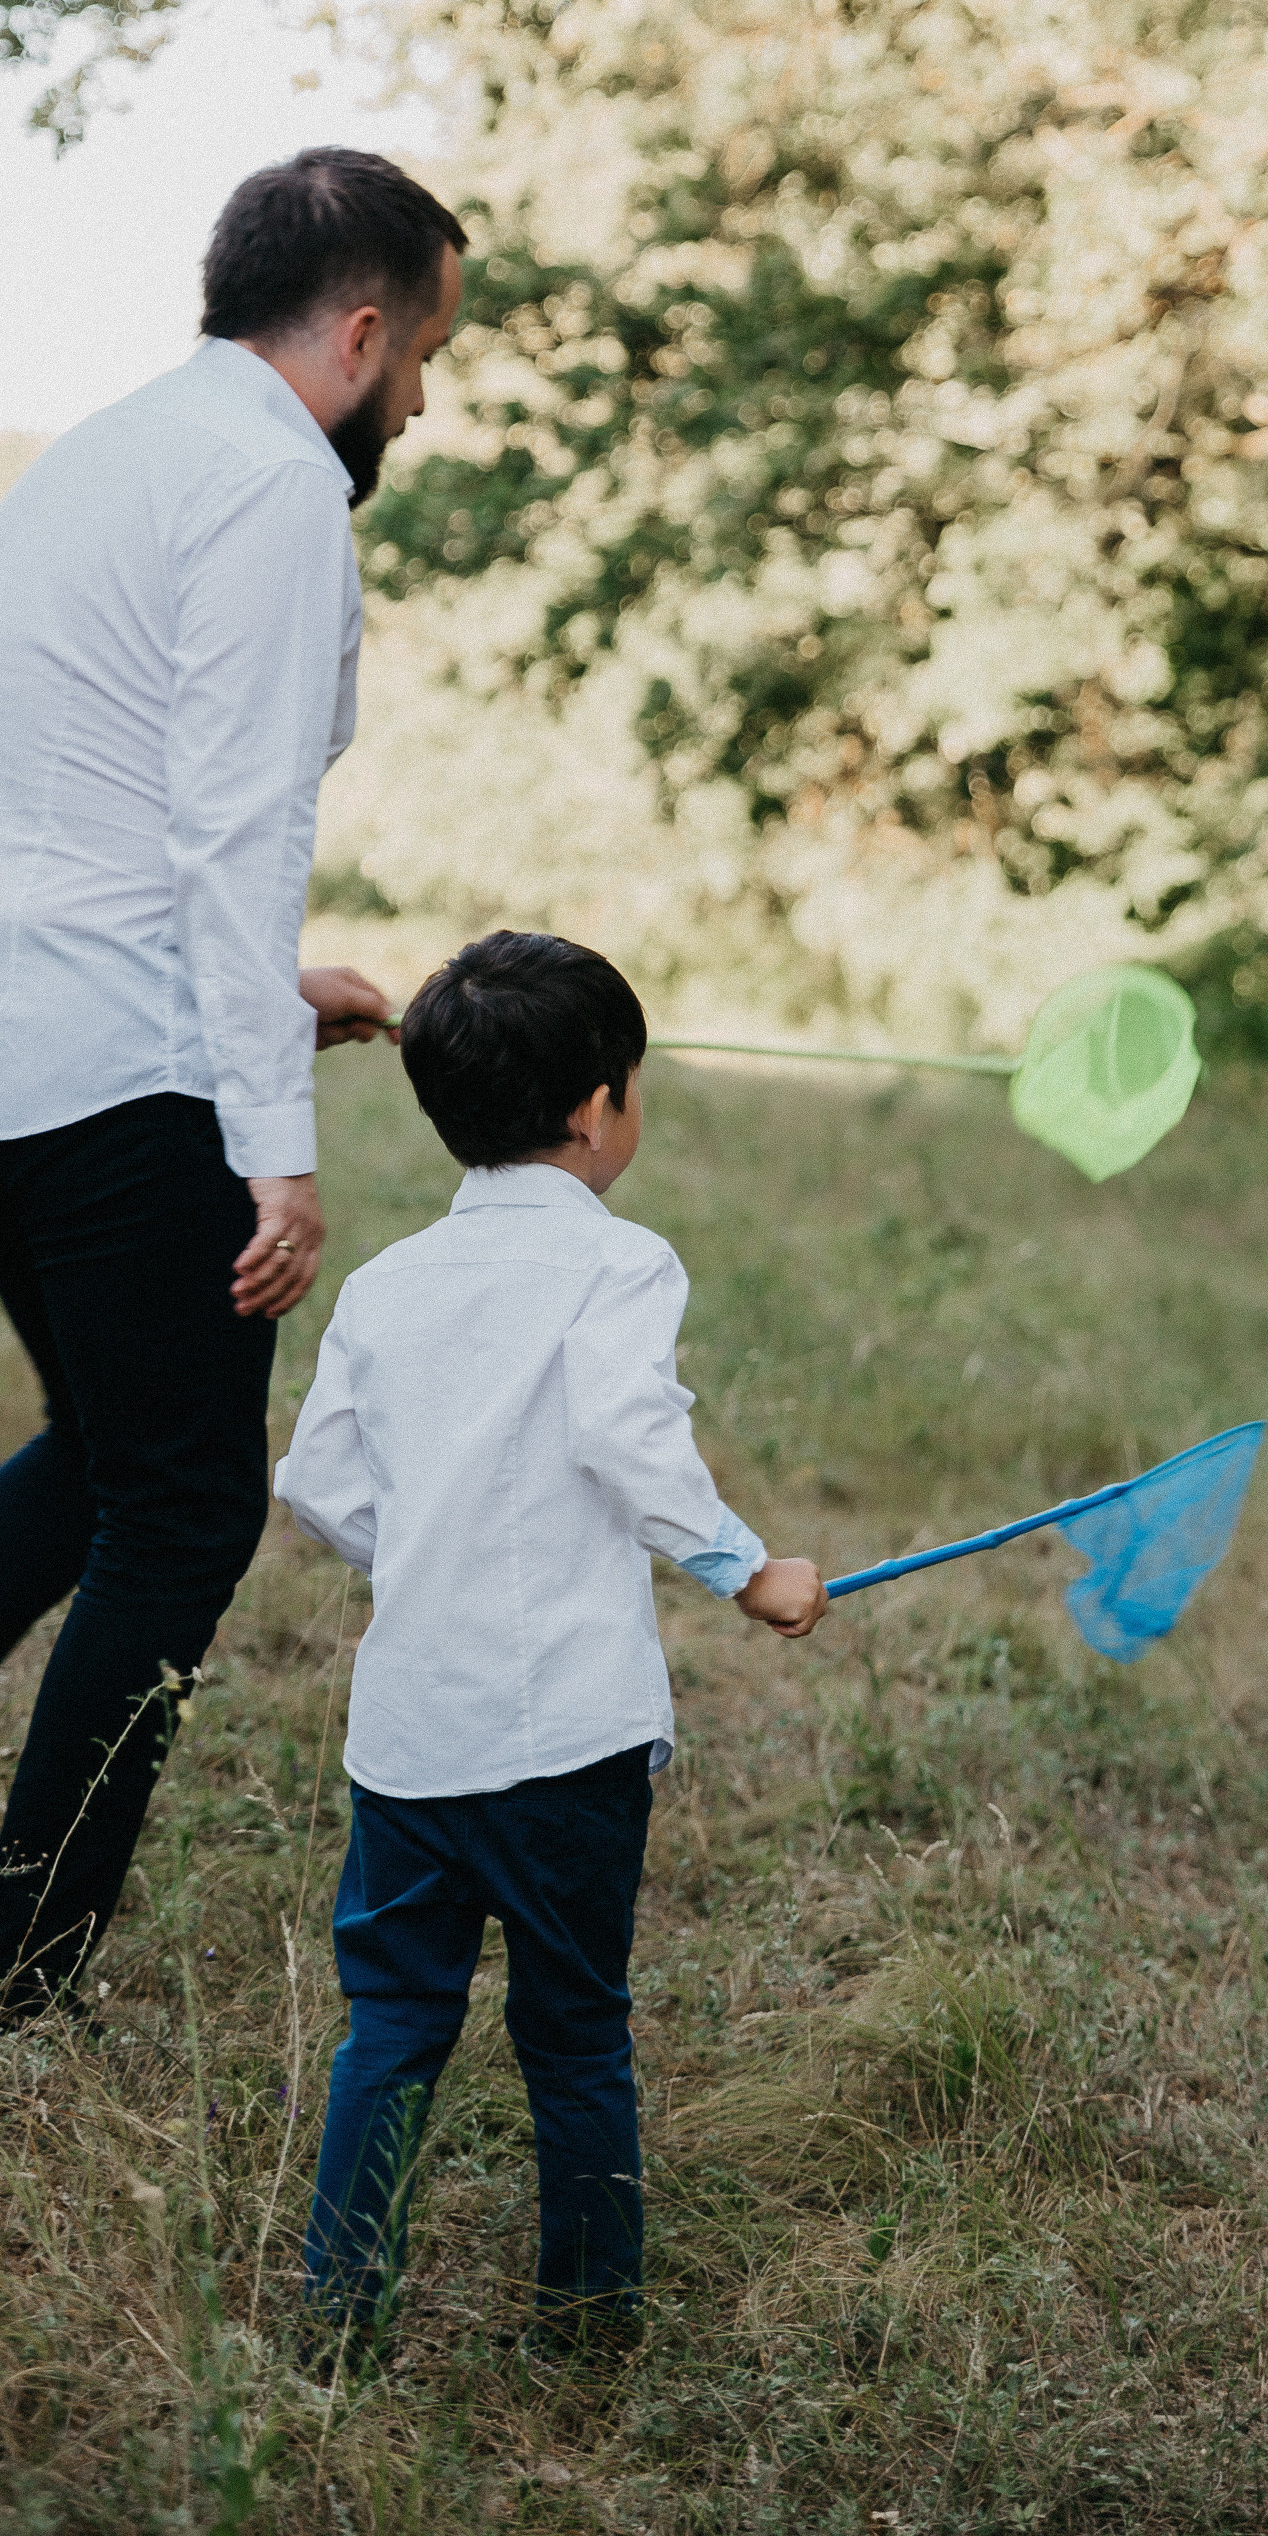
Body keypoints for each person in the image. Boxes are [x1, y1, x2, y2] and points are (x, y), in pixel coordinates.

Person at [0, 147, 466, 2026]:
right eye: (429, 356)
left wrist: (255, 999)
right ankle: (7, 1990)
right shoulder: (281, 490)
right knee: (187, 1507)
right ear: (363, 329)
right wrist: (272, 1149)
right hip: (111, 1073)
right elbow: (232, 827)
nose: (426, 399)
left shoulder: (105, 454)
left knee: (109, 1444)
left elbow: (106, 806)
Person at [273, 929, 828, 2353]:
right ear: (597, 1109)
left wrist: (433, 1559)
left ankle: (341, 2315)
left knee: (389, 2032)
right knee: (574, 2032)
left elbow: (316, 1483)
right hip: (563, 1745)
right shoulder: (619, 1267)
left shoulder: (387, 1286)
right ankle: (585, 2321)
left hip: (407, 1741)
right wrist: (744, 1569)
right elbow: (625, 1436)